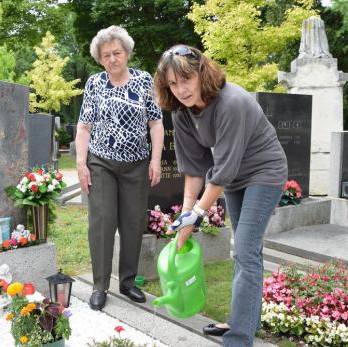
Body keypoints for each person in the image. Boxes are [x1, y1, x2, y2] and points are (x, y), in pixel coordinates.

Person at [153, 45, 287, 346]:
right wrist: (186, 216)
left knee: (245, 252)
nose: (180, 90)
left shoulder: (232, 102)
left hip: (264, 173)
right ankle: (243, 321)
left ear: (201, 72)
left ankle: (239, 337)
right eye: (172, 84)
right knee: (245, 250)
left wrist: (199, 213)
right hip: (236, 177)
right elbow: (194, 169)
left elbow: (221, 172)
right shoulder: (182, 112)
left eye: (185, 79)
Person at [75, 25, 164, 311]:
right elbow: (84, 126)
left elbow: (156, 123)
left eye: (117, 53)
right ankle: (100, 285)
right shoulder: (95, 83)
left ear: (127, 53)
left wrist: (155, 160)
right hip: (101, 162)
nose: (112, 59)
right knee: (101, 222)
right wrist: (81, 164)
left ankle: (127, 281)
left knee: (133, 222)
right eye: (106, 55)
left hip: (137, 163)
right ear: (100, 59)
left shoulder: (144, 80)